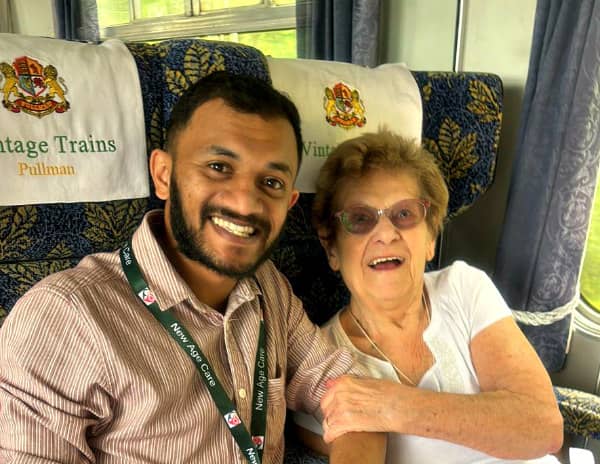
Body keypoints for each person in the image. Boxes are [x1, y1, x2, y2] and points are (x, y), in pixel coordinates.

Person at [0, 71, 385, 463]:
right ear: (164, 175)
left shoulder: (268, 288)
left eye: (270, 182)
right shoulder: (64, 318)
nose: (245, 204)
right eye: (219, 167)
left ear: (289, 203)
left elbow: (355, 398)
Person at [293, 130, 564, 463]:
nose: (386, 233)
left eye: (404, 214)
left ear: (431, 237)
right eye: (360, 219)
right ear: (332, 248)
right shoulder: (320, 362)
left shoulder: (464, 288)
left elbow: (542, 428)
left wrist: (391, 406)